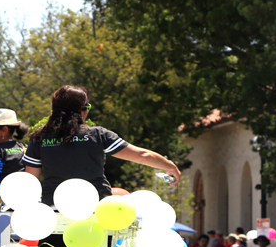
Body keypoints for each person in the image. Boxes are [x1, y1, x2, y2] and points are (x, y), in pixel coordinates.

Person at [22, 85, 181, 205]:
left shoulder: (39, 139)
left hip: (55, 210)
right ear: (82, 110)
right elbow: (142, 155)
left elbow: (30, 183)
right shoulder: (97, 135)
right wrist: (168, 165)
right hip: (97, 209)